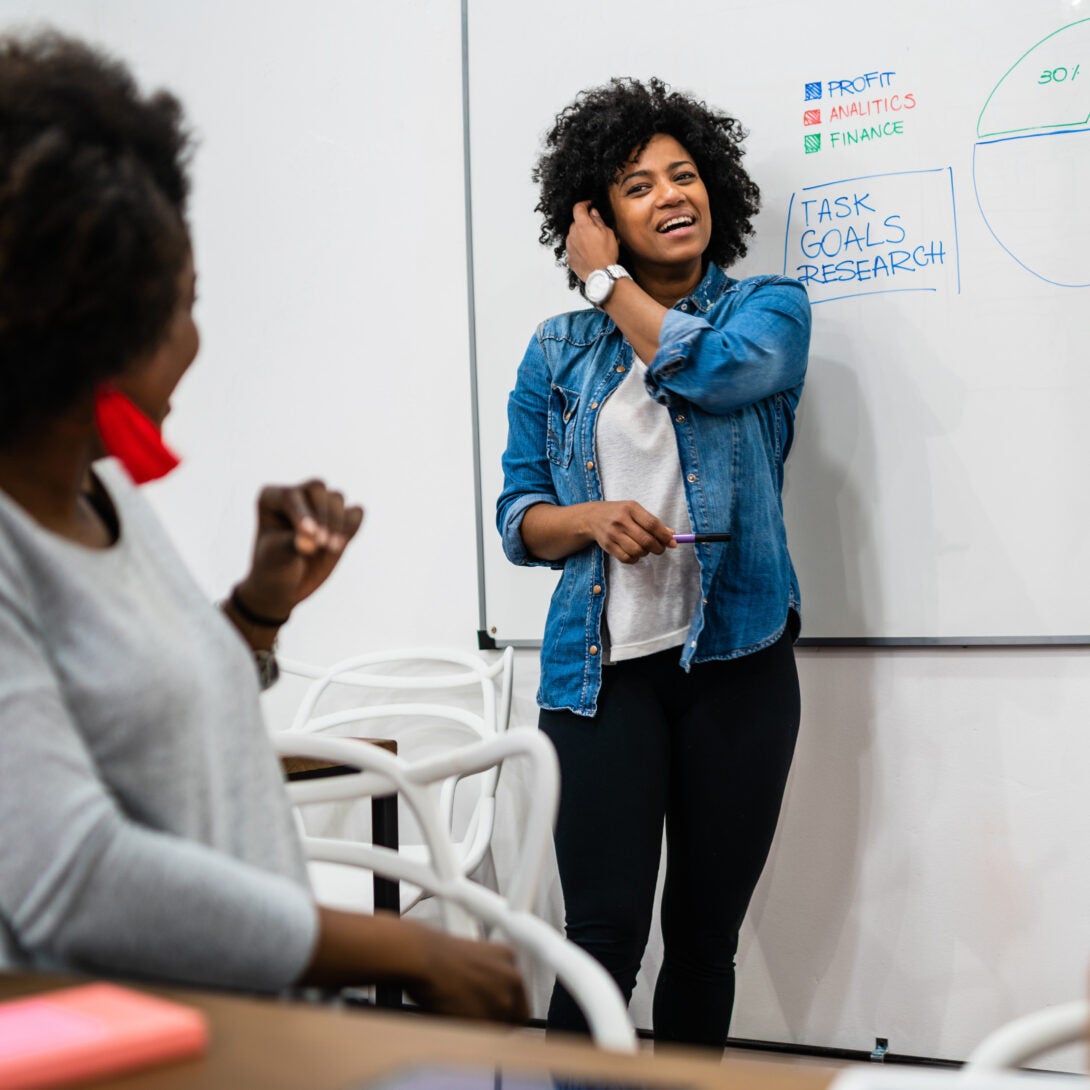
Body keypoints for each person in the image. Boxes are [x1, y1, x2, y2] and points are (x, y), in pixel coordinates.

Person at [0, 30, 527, 1024]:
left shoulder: (99, 495)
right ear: (85, 329)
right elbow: (70, 874)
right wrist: (397, 946)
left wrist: (255, 610)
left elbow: (147, 717)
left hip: (227, 1030)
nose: (197, 338)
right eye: (182, 307)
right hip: (106, 1048)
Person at [497, 77, 811, 1048]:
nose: (672, 195)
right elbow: (518, 521)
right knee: (596, 943)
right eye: (637, 185)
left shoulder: (768, 310)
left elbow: (714, 373)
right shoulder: (556, 352)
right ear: (595, 214)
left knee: (701, 940)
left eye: (684, 175)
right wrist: (586, 517)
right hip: (597, 682)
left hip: (738, 667)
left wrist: (606, 284)